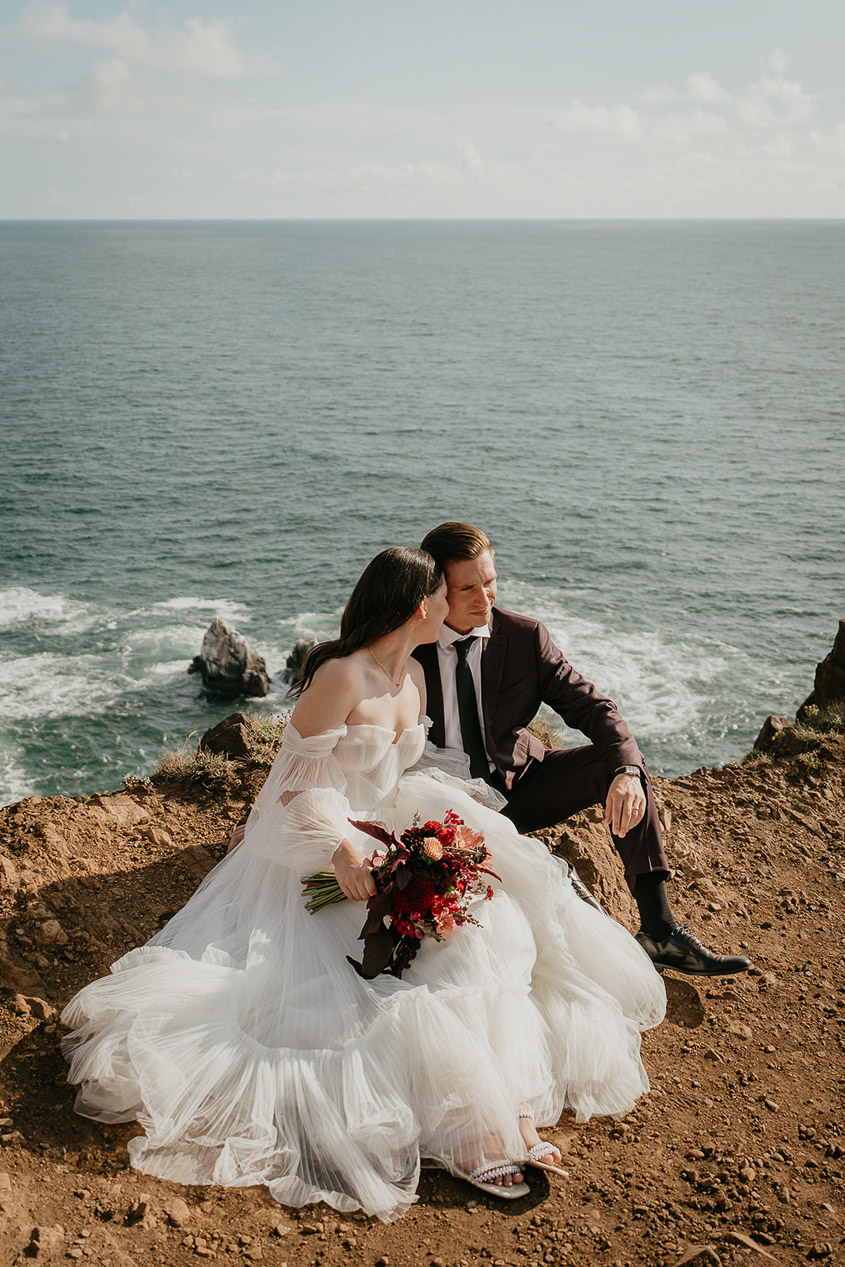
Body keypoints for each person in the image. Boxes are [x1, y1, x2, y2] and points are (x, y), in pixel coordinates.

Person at [62, 547, 666, 1224]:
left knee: (487, 930)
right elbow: (292, 786)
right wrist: (343, 850)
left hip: (386, 837)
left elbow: (401, 778)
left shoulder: (411, 674)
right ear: (418, 606)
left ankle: (510, 1108)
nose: (454, 607)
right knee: (401, 971)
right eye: (443, 595)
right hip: (319, 851)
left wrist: (426, 850)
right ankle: (469, 1134)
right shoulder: (338, 674)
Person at [415, 522, 751, 978]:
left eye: (491, 581)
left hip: (517, 788)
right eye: (468, 588)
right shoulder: (410, 646)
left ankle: (659, 931)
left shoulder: (524, 637)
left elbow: (595, 709)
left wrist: (628, 773)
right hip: (443, 807)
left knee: (615, 762)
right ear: (435, 590)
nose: (485, 598)